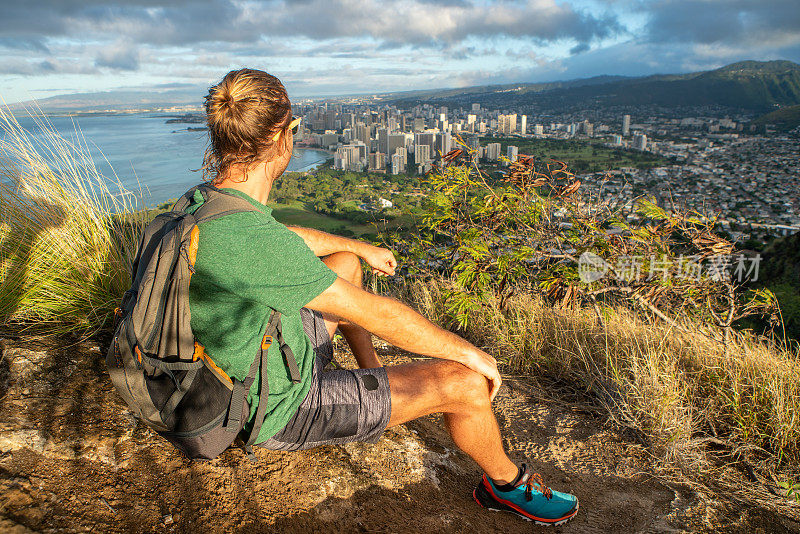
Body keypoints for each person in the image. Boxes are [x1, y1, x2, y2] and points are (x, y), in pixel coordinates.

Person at [188, 68, 578, 526]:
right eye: (294, 128)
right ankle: (506, 486)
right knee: (466, 384)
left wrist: (356, 247)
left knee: (345, 265)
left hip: (247, 357)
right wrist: (472, 354)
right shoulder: (247, 239)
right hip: (274, 406)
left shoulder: (208, 205)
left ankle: (370, 376)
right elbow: (379, 314)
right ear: (280, 137)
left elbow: (282, 236)